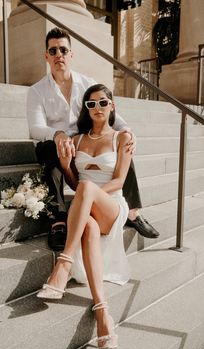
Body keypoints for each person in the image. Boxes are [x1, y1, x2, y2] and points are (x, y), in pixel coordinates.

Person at [26, 27, 159, 249]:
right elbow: (35, 128)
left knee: (122, 141)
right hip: (57, 143)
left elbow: (107, 109)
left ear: (71, 54)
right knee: (48, 149)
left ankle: (133, 212)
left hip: (85, 140)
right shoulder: (37, 91)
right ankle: (58, 218)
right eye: (53, 50)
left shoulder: (86, 82)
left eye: (63, 49)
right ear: (46, 56)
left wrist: (127, 130)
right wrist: (57, 134)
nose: (59, 54)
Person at [37, 83, 132, 349]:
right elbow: (74, 182)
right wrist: (66, 166)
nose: (98, 107)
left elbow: (119, 180)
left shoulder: (121, 137)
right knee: (88, 226)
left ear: (112, 106)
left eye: (103, 102)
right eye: (92, 104)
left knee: (87, 188)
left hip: (111, 205)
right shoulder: (77, 139)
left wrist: (90, 194)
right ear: (86, 109)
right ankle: (103, 312)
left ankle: (63, 263)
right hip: (86, 209)